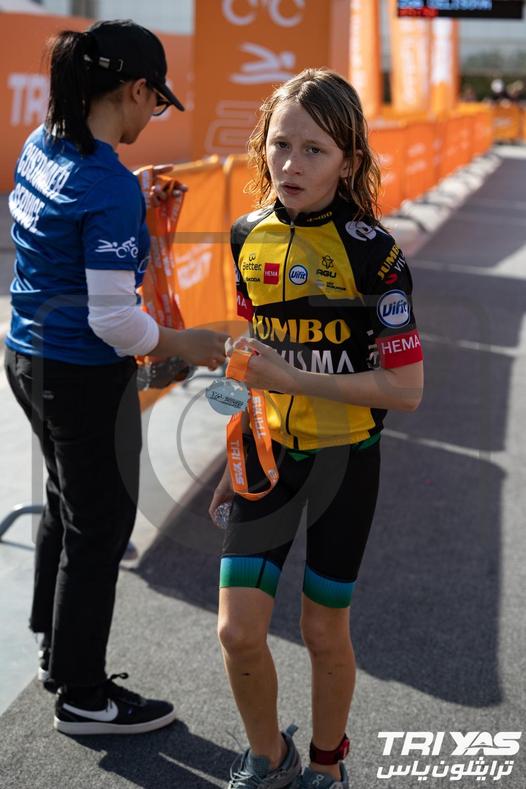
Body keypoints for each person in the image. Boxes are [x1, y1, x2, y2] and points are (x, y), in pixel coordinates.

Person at [4, 19, 227, 736]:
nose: (154, 115)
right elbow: (114, 321)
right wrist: (188, 343)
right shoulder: (106, 187)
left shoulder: (44, 141)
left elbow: (71, 221)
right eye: (157, 101)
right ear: (135, 90)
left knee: (68, 503)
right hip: (79, 372)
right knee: (100, 526)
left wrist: (125, 196)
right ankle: (82, 695)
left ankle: (54, 646)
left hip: (26, 356)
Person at [209, 68, 424, 788]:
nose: (291, 165)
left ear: (349, 161)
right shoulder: (247, 235)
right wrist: (234, 454)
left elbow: (407, 389)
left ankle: (328, 764)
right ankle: (268, 757)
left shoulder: (374, 253)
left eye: (314, 151)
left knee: (323, 630)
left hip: (345, 463)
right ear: (261, 147)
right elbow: (256, 356)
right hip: (267, 454)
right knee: (237, 631)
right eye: (280, 145)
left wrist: (295, 380)